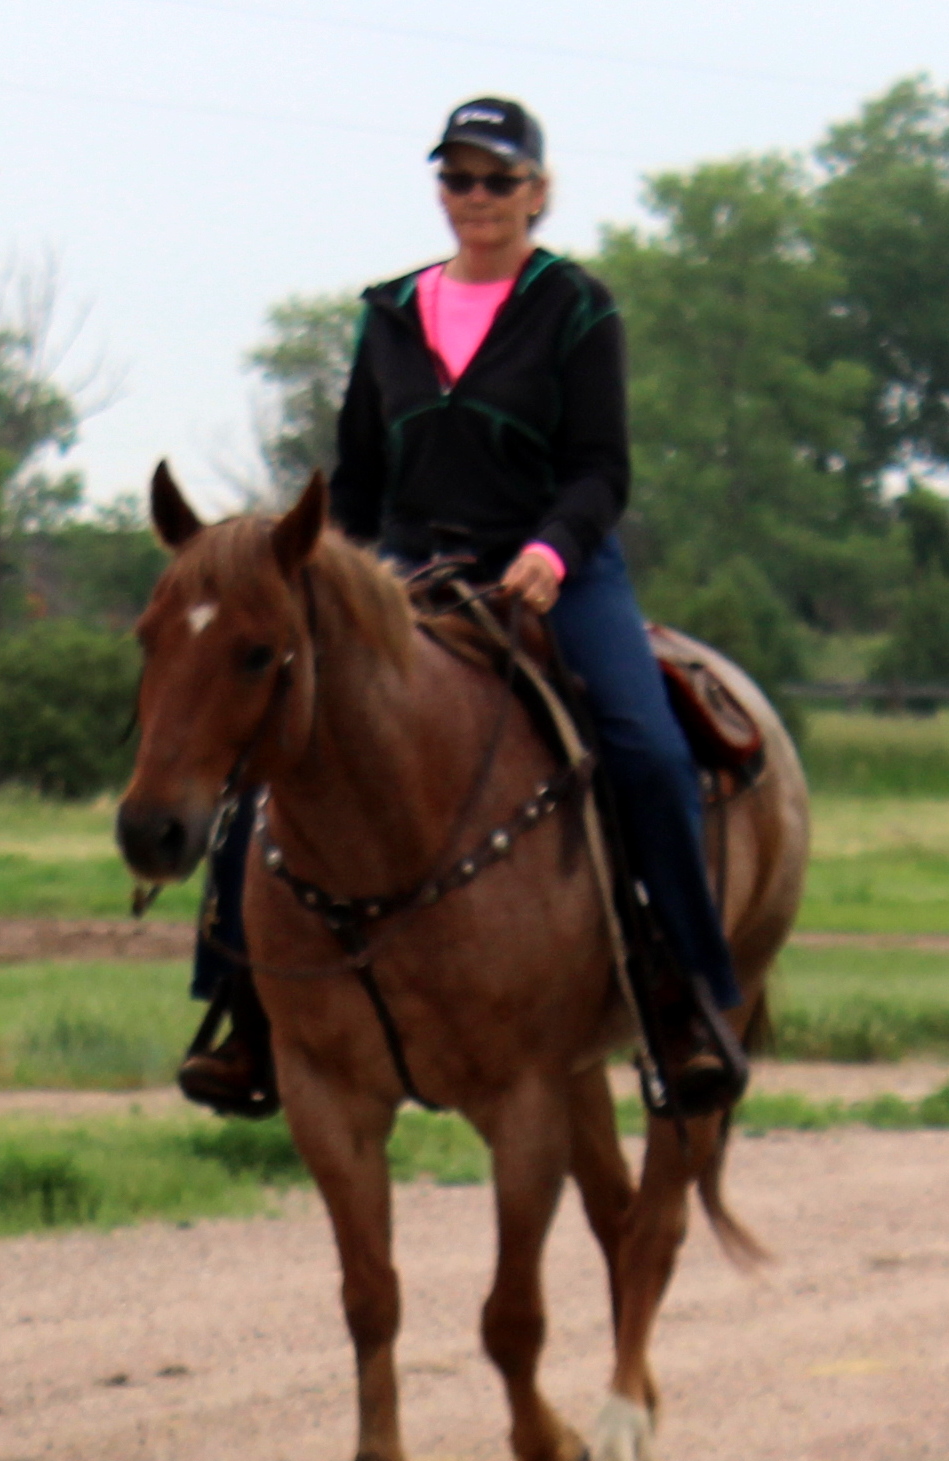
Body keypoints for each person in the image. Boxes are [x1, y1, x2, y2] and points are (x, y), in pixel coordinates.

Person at [178, 95, 747, 1117]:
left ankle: (687, 996)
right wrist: (340, 574)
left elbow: (599, 469)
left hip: (551, 567)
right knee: (268, 751)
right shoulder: (388, 313)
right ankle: (242, 1014)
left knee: (647, 750)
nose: (474, 197)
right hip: (405, 572)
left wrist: (548, 549)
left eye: (496, 179)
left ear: (536, 192)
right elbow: (353, 481)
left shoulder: (576, 307)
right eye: (457, 178)